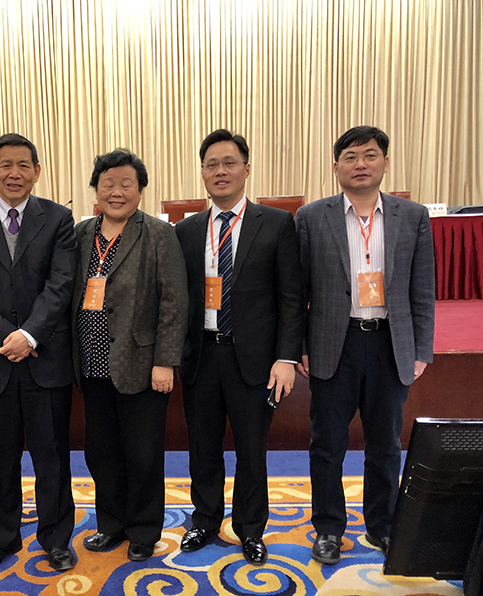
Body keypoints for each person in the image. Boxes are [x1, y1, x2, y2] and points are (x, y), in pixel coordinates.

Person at [295, 126, 435, 565]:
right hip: (332, 344)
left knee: (386, 444)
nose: (361, 164)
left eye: (370, 155)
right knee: (327, 444)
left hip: (391, 343)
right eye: (351, 157)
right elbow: (297, 292)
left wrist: (422, 349)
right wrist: (300, 345)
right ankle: (328, 528)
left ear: (385, 163)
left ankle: (382, 524)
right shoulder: (311, 217)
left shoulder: (412, 216)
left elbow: (422, 288)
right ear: (335, 166)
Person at [0, 133, 79, 573]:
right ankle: (3, 538)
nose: (14, 173)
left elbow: (61, 284)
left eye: (24, 165)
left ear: (37, 171)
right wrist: (8, 336)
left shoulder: (59, 219)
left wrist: (30, 335)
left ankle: (56, 539)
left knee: (51, 457)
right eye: (5, 164)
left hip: (45, 360)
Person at [175, 129, 303, 565]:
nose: (220, 171)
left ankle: (250, 529)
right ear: (203, 173)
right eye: (211, 164)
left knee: (252, 449)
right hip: (201, 356)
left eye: (229, 162)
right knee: (202, 447)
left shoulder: (277, 223)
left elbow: (291, 297)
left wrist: (286, 357)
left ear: (246, 169)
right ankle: (205, 520)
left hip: (255, 359)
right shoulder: (187, 230)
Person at [72, 149, 188, 562]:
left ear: (140, 190)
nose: (116, 192)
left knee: (142, 453)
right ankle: (110, 523)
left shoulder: (158, 234)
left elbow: (174, 301)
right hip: (91, 363)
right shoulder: (82, 235)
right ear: (96, 189)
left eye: (126, 184)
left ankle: (143, 529)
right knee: (101, 452)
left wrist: (165, 360)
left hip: (140, 363)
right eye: (108, 183)